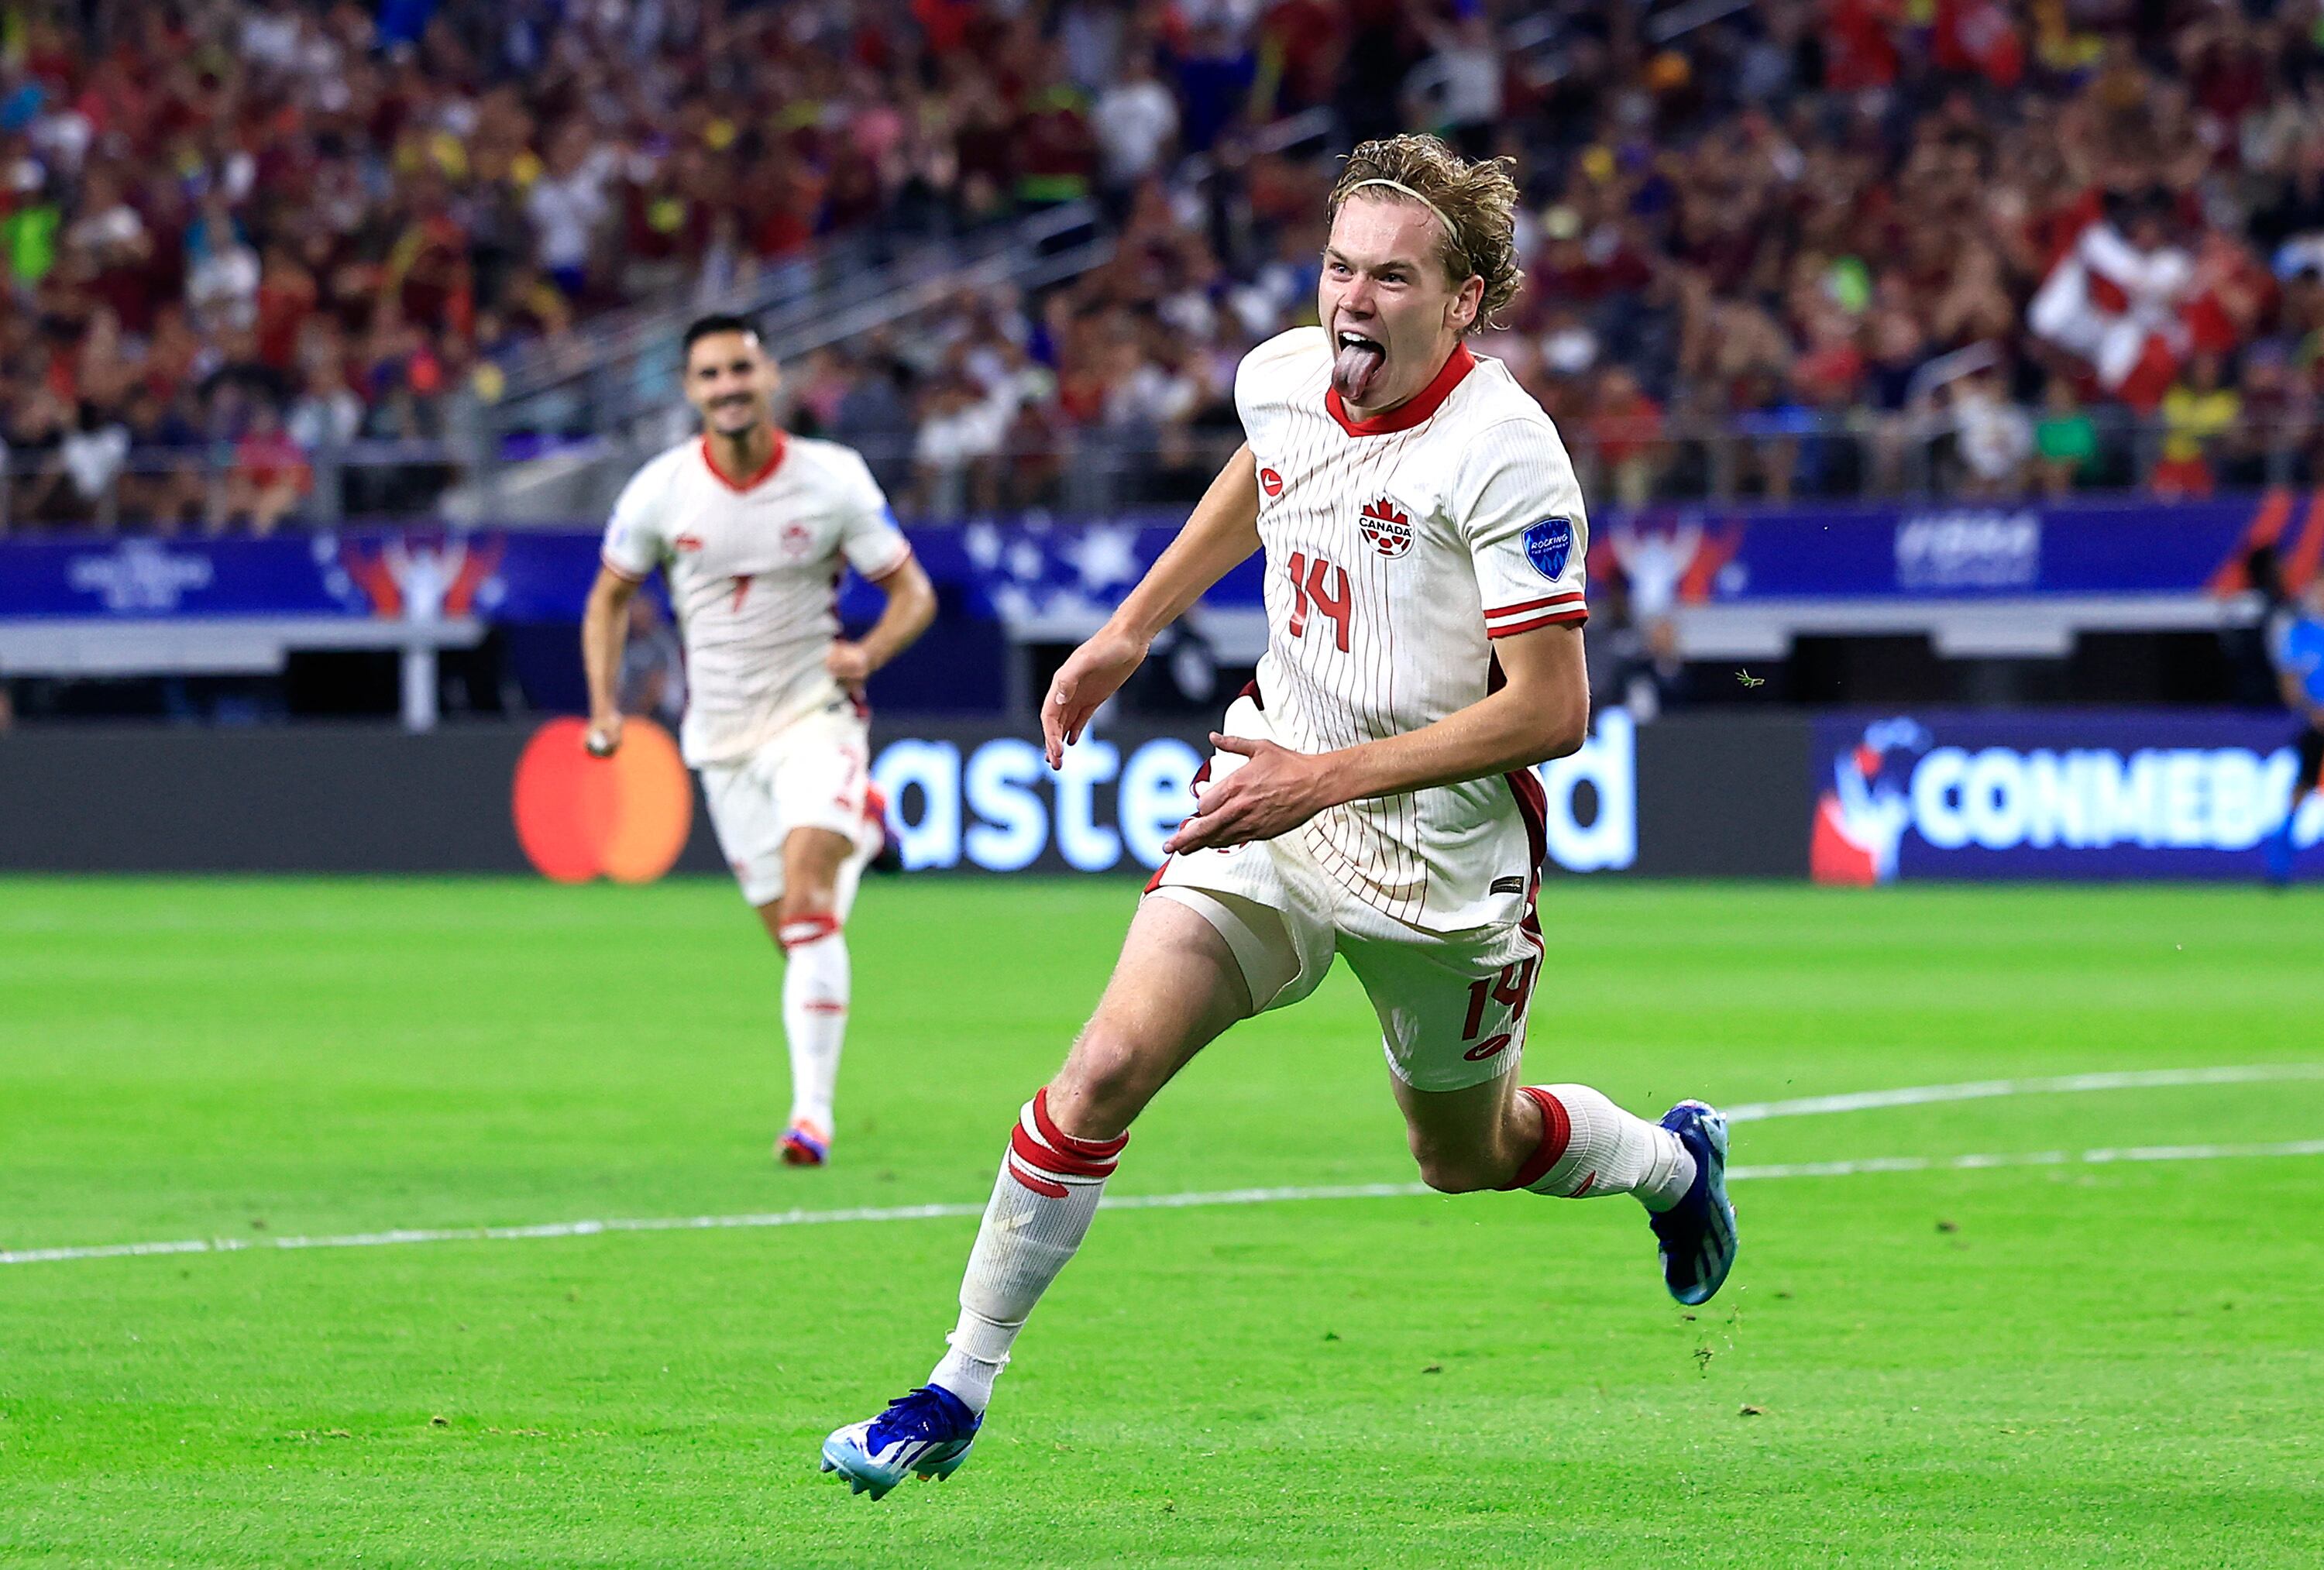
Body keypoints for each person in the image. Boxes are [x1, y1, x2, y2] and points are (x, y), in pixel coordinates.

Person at [820, 136, 1738, 1500]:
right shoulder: (1281, 378)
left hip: (1438, 859)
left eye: (1392, 277)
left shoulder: (1506, 453)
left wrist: (1325, 779)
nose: (1352, 300)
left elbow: (1553, 711)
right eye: (1338, 267)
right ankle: (956, 1383)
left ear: (1466, 299)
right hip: (1273, 790)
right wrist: (1130, 630)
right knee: (1103, 1068)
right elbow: (1268, 475)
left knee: (1462, 1155)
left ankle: (1671, 1164)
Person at [579, 314, 937, 1165]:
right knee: (797, 940)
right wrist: (604, 707)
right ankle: (869, 823)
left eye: (741, 368)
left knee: (812, 905)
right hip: (722, 742)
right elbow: (606, 599)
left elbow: (913, 593)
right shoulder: (660, 490)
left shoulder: (832, 479)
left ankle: (810, 1115)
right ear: (690, 389)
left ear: (771, 374)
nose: (728, 386)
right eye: (710, 374)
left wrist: (869, 651)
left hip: (816, 714)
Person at [2263, 573, 2324, 885]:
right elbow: (2289, 684)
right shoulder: (2302, 634)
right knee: (2304, 786)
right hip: (2318, 725)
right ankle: (2280, 854)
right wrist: (2313, 711)